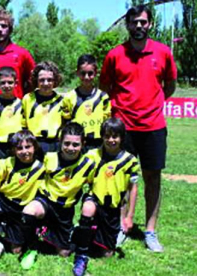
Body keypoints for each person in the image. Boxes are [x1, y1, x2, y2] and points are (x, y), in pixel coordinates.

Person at [99, 4, 177, 252]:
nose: (139, 26)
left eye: (143, 22)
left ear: (150, 24)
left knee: (152, 177)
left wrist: (152, 105)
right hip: (123, 127)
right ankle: (123, 226)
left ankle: (151, 231)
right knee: (123, 178)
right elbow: (106, 87)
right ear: (128, 24)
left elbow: (170, 85)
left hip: (153, 126)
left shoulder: (163, 52)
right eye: (134, 22)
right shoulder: (114, 55)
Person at [19, 123, 96, 270]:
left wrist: (88, 200)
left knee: (64, 253)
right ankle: (32, 248)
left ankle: (63, 232)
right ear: (60, 142)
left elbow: (93, 185)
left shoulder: (88, 165)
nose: (70, 148)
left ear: (83, 144)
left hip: (64, 210)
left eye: (75, 144)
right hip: (46, 201)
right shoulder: (50, 157)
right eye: (66, 143)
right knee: (28, 212)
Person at [72, 118, 139, 276]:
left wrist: (129, 216)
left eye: (115, 136)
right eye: (107, 136)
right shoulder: (92, 155)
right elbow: (80, 177)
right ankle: (81, 252)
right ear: (101, 137)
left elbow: (133, 188)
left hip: (113, 207)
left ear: (122, 137)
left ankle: (86, 234)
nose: (111, 140)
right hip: (95, 199)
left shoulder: (130, 160)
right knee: (88, 208)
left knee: (107, 254)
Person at [0, 130, 45, 264]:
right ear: (13, 150)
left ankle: (21, 231)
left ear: (34, 147)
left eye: (28, 147)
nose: (24, 151)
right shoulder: (8, 162)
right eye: (19, 148)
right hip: (4, 200)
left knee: (15, 250)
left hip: (20, 208)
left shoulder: (41, 167)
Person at [62, 54, 111, 150]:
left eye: (90, 73)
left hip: (99, 144)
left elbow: (107, 122)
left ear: (96, 73)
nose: (87, 77)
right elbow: (65, 123)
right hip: (77, 145)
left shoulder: (103, 97)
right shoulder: (69, 97)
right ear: (77, 73)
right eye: (83, 73)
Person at [22, 61, 64, 154]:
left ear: (55, 81)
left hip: (55, 145)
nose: (46, 83)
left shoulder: (62, 101)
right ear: (36, 80)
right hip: (33, 145)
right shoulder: (28, 99)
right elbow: (23, 124)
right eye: (42, 80)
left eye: (50, 80)